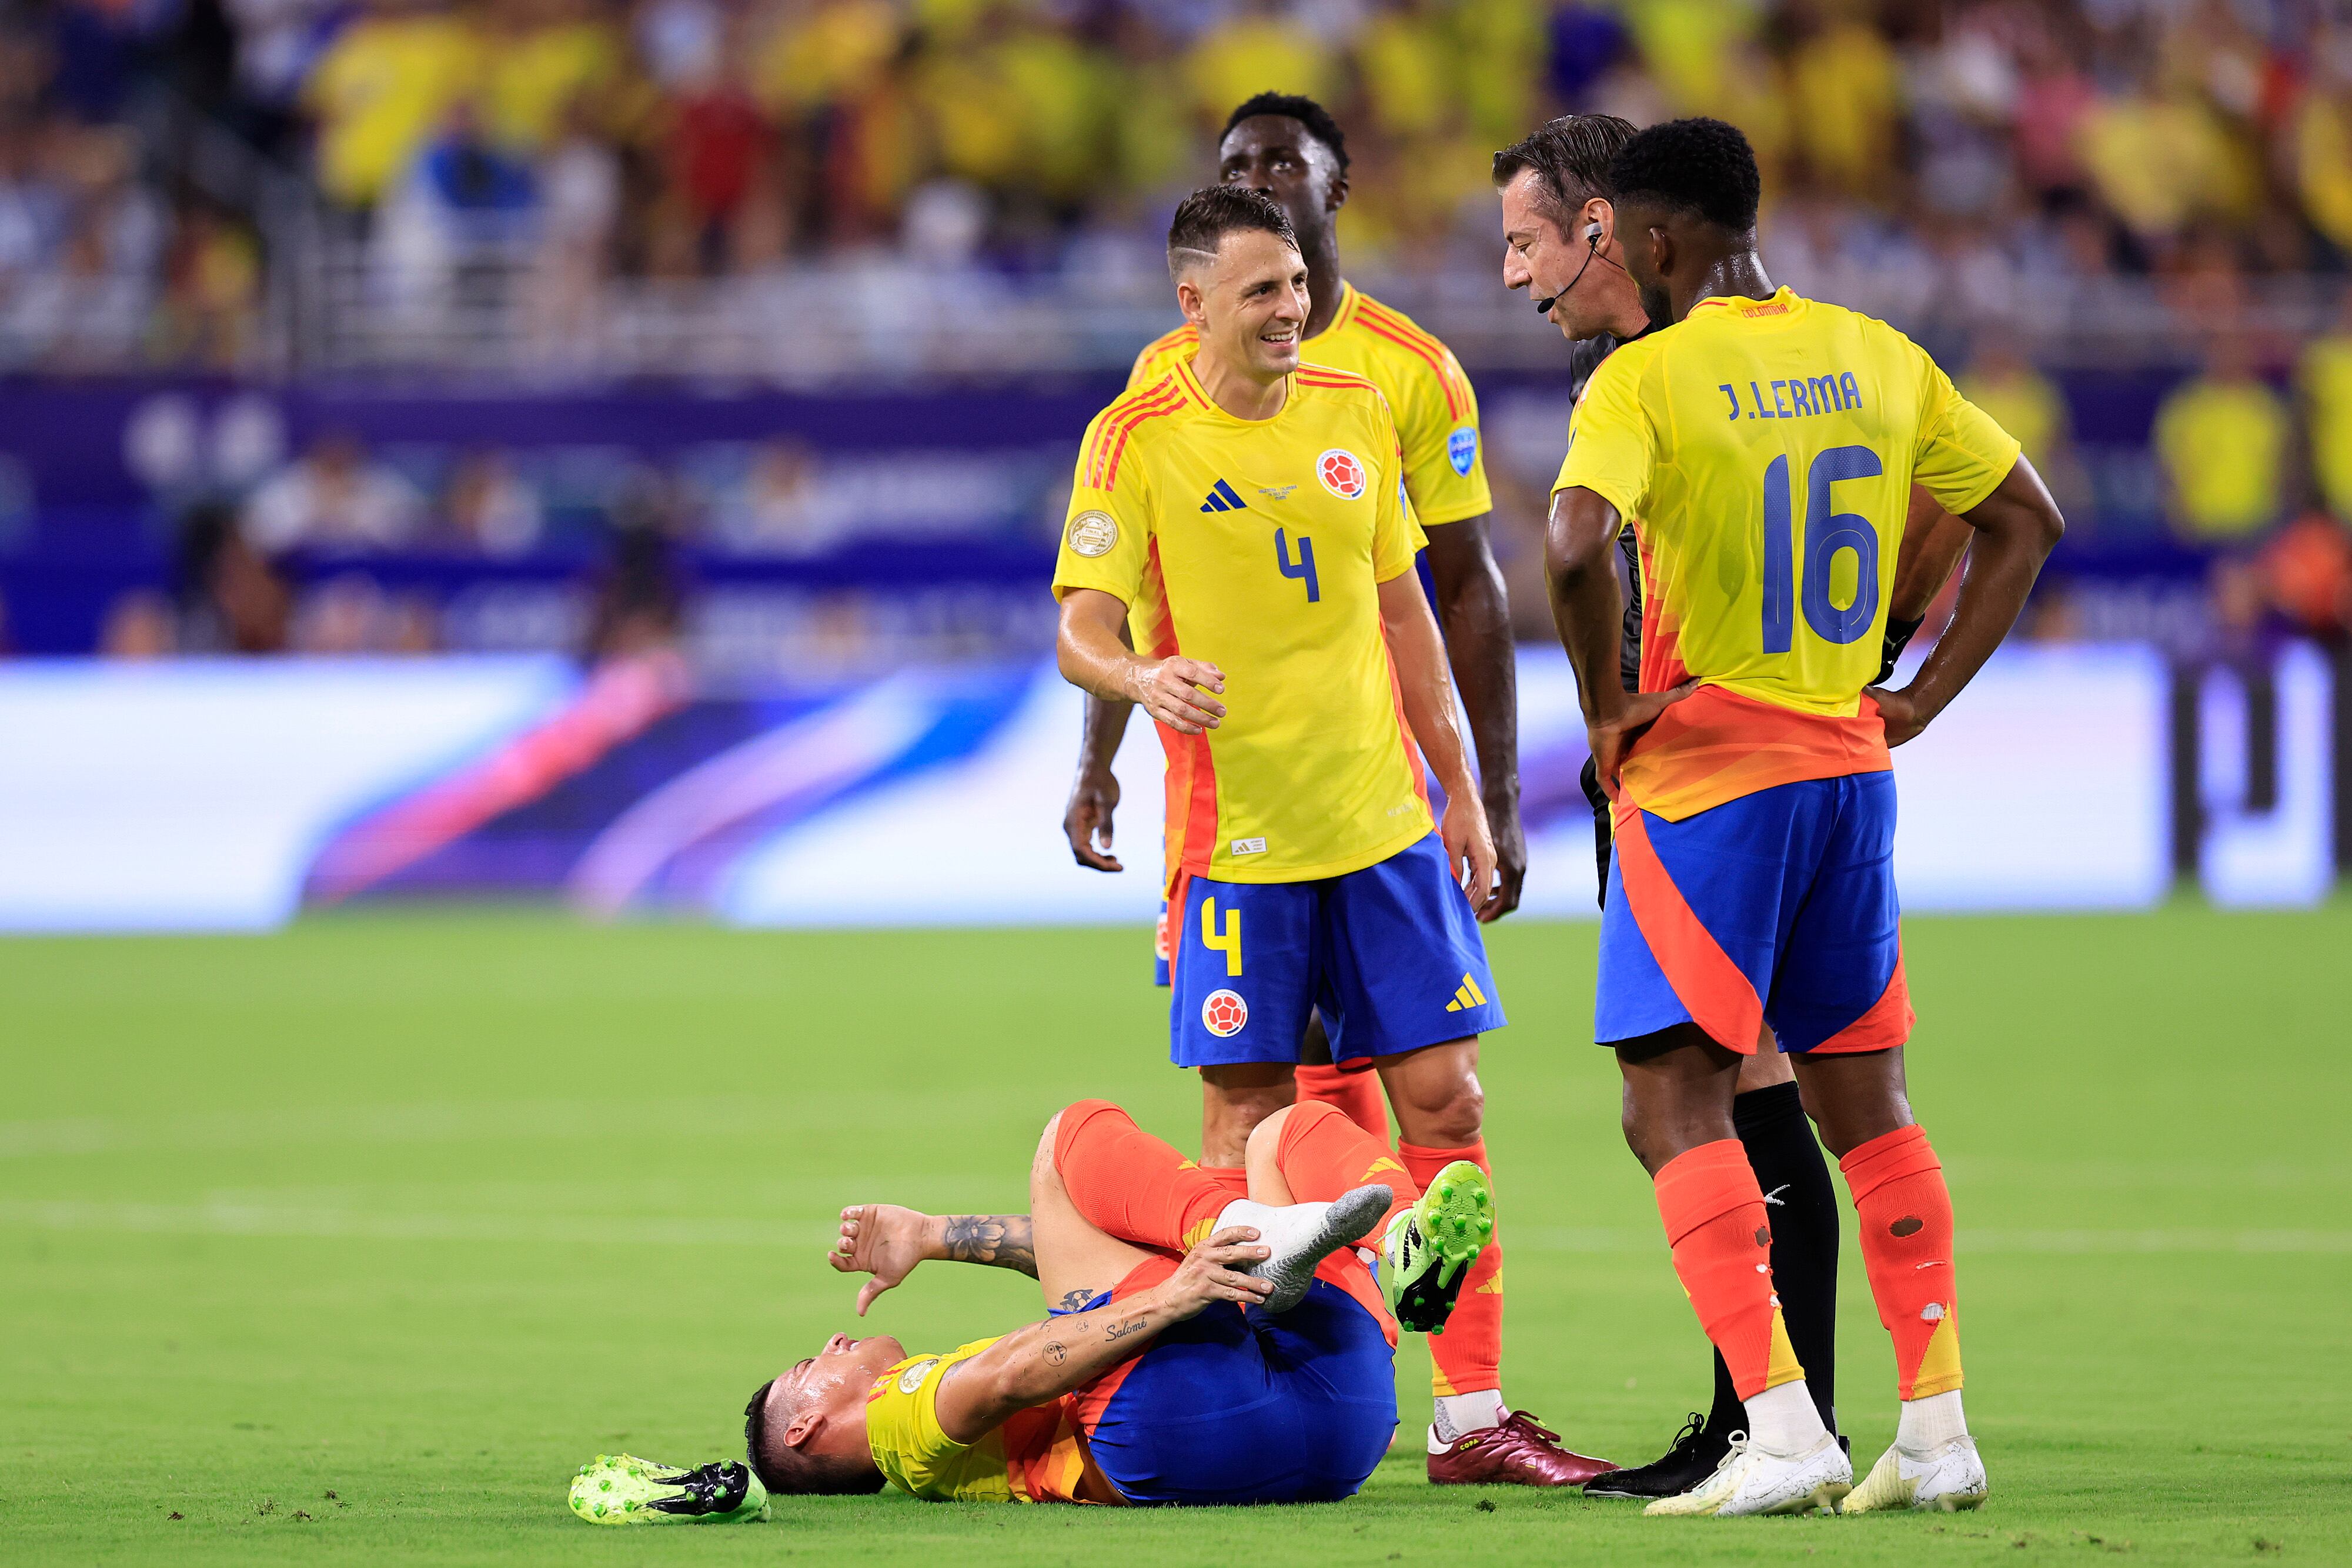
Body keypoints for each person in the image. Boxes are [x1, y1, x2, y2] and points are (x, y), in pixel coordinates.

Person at [1052, 183, 1608, 1486]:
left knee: (1448, 1097)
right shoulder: (1133, 439)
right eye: (1262, 291)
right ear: (1193, 304)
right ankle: (1249, 1363)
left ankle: (1470, 1415)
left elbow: (1406, 614)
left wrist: (1460, 789)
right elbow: (1081, 620)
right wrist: (1137, 681)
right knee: (1238, 1131)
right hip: (1237, 849)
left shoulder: (1358, 413)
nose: (1293, 310)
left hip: (1381, 826)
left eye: (1298, 285)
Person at [1547, 119, 2063, 1517]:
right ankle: (1936, 1425)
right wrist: (1923, 696)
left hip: (1710, 774)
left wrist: (1602, 710)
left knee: (1669, 1098)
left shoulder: (1643, 378)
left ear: (1652, 244)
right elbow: (2021, 517)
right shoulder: (1876, 351)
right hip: (1849, 762)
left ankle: (1780, 1427)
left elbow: (1572, 544)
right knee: (1864, 1100)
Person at [727, 1096, 1495, 1507]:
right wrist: (1173, 1296)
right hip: (1179, 1434)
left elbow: (1078, 1260)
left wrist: (934, 1235)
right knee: (1072, 1133)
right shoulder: (897, 1423)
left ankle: (1404, 1242)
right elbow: (1012, 1375)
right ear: (806, 1427)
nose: (830, 1341)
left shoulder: (935, 1447)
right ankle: (1250, 1227)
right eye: (810, 1364)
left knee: (1280, 1134)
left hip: (1340, 1442)